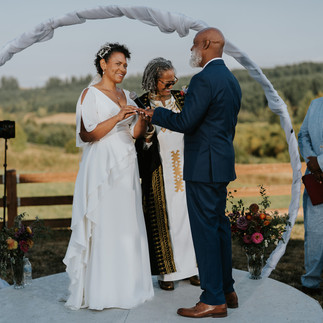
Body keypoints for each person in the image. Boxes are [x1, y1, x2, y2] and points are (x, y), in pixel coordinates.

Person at [142, 27, 241, 318]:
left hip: (202, 167)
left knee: (206, 232)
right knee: (220, 228)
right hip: (221, 164)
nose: (191, 50)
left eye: (195, 44)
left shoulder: (203, 79)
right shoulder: (231, 80)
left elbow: (186, 121)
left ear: (208, 44)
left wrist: (154, 114)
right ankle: (227, 290)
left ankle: (212, 299)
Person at [63, 43, 154, 310]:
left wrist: (145, 119)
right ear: (103, 64)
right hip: (101, 166)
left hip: (127, 164)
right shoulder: (89, 94)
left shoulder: (128, 94)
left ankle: (129, 287)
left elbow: (134, 134)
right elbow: (87, 135)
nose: (122, 69)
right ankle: (102, 292)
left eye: (125, 65)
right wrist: (117, 117)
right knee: (104, 223)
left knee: (126, 224)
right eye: (117, 63)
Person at [135, 57, 199, 291]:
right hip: (158, 170)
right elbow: (137, 142)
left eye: (174, 81)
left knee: (191, 218)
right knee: (164, 218)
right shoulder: (141, 103)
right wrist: (148, 135)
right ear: (153, 81)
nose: (171, 86)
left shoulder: (182, 99)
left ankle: (193, 269)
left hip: (187, 166)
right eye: (166, 82)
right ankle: (168, 274)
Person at [298, 97, 323, 295]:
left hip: (318, 169)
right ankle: (311, 281)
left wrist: (320, 162)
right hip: (315, 179)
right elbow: (303, 135)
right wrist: (310, 159)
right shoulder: (315, 104)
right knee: (314, 232)